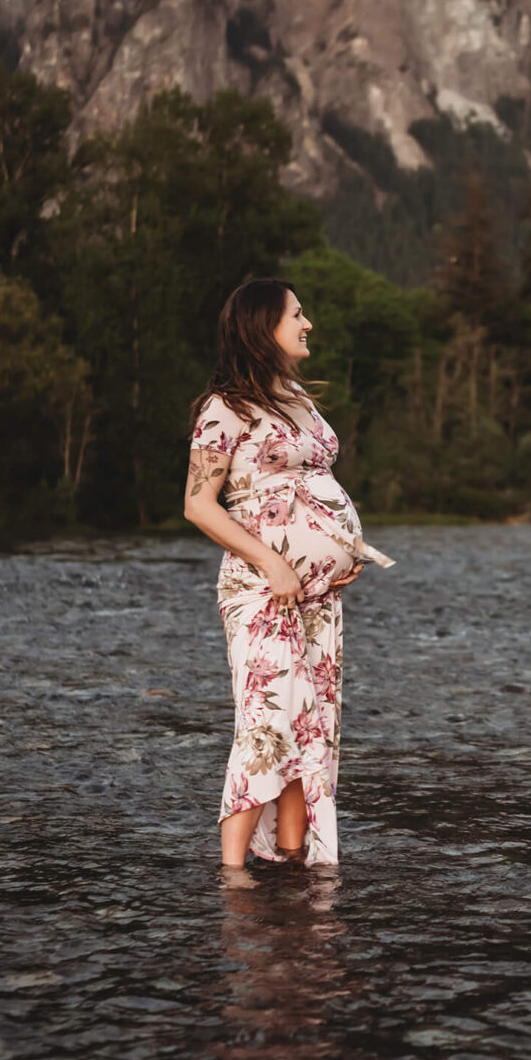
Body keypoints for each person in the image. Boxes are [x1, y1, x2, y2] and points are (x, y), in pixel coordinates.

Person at [183, 279, 394, 873]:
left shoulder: (298, 397)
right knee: (267, 722)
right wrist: (274, 560)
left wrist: (343, 551)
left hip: (319, 597)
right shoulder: (224, 408)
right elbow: (198, 505)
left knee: (312, 729)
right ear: (262, 326)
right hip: (260, 589)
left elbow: (311, 490)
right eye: (297, 315)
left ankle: (293, 862)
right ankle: (233, 875)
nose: (308, 324)